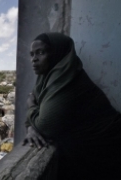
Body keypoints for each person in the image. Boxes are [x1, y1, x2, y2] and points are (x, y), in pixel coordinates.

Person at [23, 32, 121, 179]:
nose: (34, 59)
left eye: (41, 52)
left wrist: (31, 108)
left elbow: (45, 126)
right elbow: (35, 109)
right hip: (85, 152)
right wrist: (30, 127)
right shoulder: (45, 81)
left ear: (57, 53)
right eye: (32, 54)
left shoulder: (68, 81)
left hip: (109, 150)